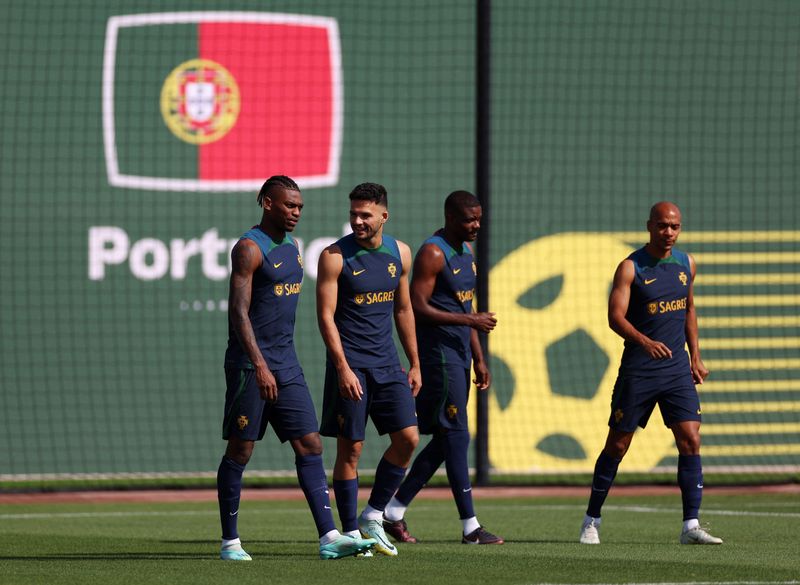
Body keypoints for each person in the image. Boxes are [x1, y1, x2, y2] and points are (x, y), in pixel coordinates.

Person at [217, 175, 375, 561]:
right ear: (267, 203)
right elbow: (238, 313)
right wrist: (259, 365)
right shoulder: (249, 249)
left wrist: (275, 364)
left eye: (300, 207)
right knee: (241, 450)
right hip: (251, 367)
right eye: (289, 205)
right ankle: (230, 543)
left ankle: (329, 538)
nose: (296, 213)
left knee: (311, 444)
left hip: (287, 364)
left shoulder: (294, 246)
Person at [579, 201, 722, 546]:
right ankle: (591, 520)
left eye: (674, 226)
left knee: (691, 437)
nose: (669, 232)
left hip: (676, 370)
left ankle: (690, 526)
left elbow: (688, 310)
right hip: (640, 371)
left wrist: (696, 358)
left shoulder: (687, 264)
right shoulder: (631, 267)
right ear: (649, 226)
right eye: (662, 226)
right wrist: (645, 342)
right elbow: (616, 317)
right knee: (618, 444)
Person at [382, 190, 504, 545]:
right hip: (437, 357)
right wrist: (469, 319)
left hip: (460, 356)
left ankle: (392, 511)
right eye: (469, 219)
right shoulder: (433, 252)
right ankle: (470, 526)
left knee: (445, 439)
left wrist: (479, 357)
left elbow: (466, 308)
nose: (476, 225)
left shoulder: (466, 252)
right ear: (451, 218)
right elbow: (416, 306)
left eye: (479, 218)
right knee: (456, 435)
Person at [317, 182, 422, 557]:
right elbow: (325, 318)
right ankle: (349, 535)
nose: (357, 221)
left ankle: (373, 514)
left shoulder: (401, 253)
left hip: (388, 365)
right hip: (352, 367)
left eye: (365, 215)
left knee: (408, 438)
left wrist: (415, 362)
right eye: (353, 214)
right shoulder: (334, 256)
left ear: (383, 216)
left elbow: (404, 310)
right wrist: (342, 367)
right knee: (352, 449)